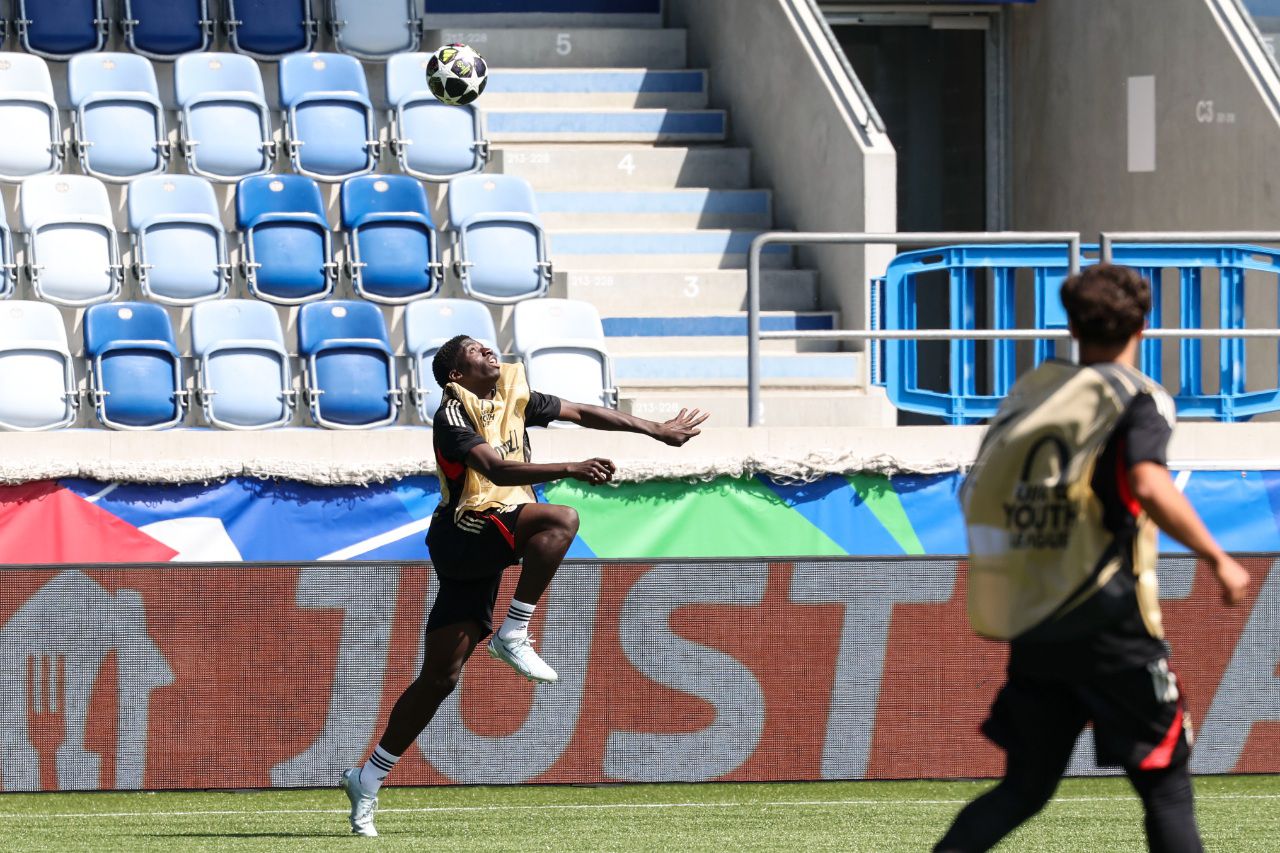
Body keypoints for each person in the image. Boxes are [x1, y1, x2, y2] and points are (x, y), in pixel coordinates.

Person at [340, 334, 708, 837]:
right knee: (560, 518)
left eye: (486, 345)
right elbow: (495, 468)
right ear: (455, 374)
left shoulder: (510, 394)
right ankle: (514, 632)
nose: (488, 351)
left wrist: (655, 429)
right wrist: (571, 467)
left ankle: (368, 777)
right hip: (463, 533)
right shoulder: (451, 415)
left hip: (496, 530)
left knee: (440, 678)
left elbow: (579, 411)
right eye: (474, 350)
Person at [937, 264, 1250, 853]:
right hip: (1110, 625)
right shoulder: (1133, 396)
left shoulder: (1039, 393)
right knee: (1166, 787)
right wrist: (1218, 558)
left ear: (1073, 327)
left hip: (1039, 623)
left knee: (1024, 788)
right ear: (1144, 324)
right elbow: (1149, 483)